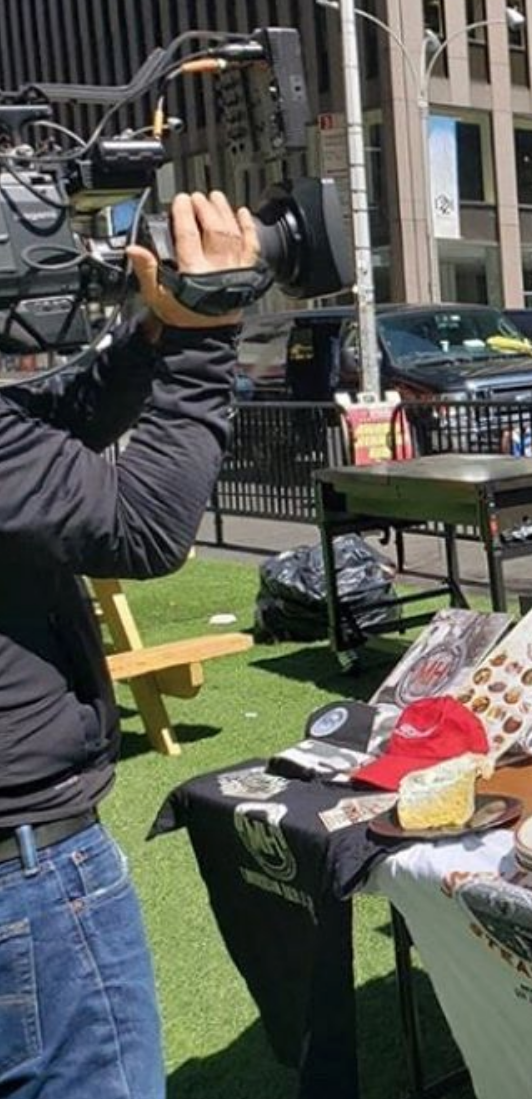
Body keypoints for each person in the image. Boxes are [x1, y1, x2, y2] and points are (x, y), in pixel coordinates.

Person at [0, 192, 258, 1099]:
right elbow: (147, 528)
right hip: (23, 873)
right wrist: (209, 333)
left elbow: (38, 426)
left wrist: (154, 331)